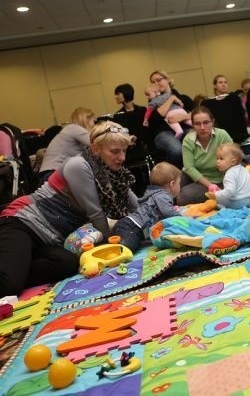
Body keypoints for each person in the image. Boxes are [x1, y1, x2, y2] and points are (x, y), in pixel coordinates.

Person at [0, 121, 137, 296]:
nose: (122, 157)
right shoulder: (78, 165)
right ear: (95, 149)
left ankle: (15, 267)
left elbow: (134, 205)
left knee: (68, 263)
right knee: (9, 287)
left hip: (50, 238)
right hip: (23, 223)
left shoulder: (113, 172)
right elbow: (95, 213)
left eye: (124, 151)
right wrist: (108, 248)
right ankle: (12, 272)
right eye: (115, 151)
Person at [111, 162, 181, 252]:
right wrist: (182, 218)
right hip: (132, 227)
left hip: (127, 225)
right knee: (126, 248)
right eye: (179, 183)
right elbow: (168, 212)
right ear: (172, 184)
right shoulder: (162, 195)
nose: (180, 186)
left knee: (130, 243)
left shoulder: (151, 193)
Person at [177, 106, 232, 206]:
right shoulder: (188, 140)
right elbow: (189, 168)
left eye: (206, 122)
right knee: (182, 196)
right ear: (192, 125)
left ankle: (220, 194)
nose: (202, 127)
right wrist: (210, 185)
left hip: (224, 177)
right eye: (197, 124)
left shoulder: (222, 135)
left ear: (212, 122)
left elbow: (234, 157)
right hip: (202, 181)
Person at [143, 70, 194, 168]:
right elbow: (157, 116)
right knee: (177, 150)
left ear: (168, 80)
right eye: (153, 82)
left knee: (197, 142)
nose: (156, 84)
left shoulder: (183, 97)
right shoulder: (153, 101)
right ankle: (169, 174)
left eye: (158, 80)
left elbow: (198, 114)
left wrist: (182, 117)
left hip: (185, 128)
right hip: (163, 132)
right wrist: (171, 99)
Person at [38, 107, 97, 183]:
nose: (95, 125)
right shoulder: (74, 128)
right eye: (94, 121)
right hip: (53, 173)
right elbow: (97, 144)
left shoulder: (71, 130)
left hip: (49, 174)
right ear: (86, 119)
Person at [201, 75, 250, 145]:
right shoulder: (208, 103)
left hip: (240, 135)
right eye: (220, 82)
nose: (223, 84)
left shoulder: (234, 98)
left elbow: (242, 116)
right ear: (215, 85)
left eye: (225, 82)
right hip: (223, 138)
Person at [207, 143, 250, 209]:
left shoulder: (230, 173)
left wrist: (216, 195)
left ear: (233, 162)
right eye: (217, 158)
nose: (217, 161)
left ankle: (222, 207)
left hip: (239, 202)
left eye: (221, 159)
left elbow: (229, 191)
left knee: (220, 200)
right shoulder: (243, 169)